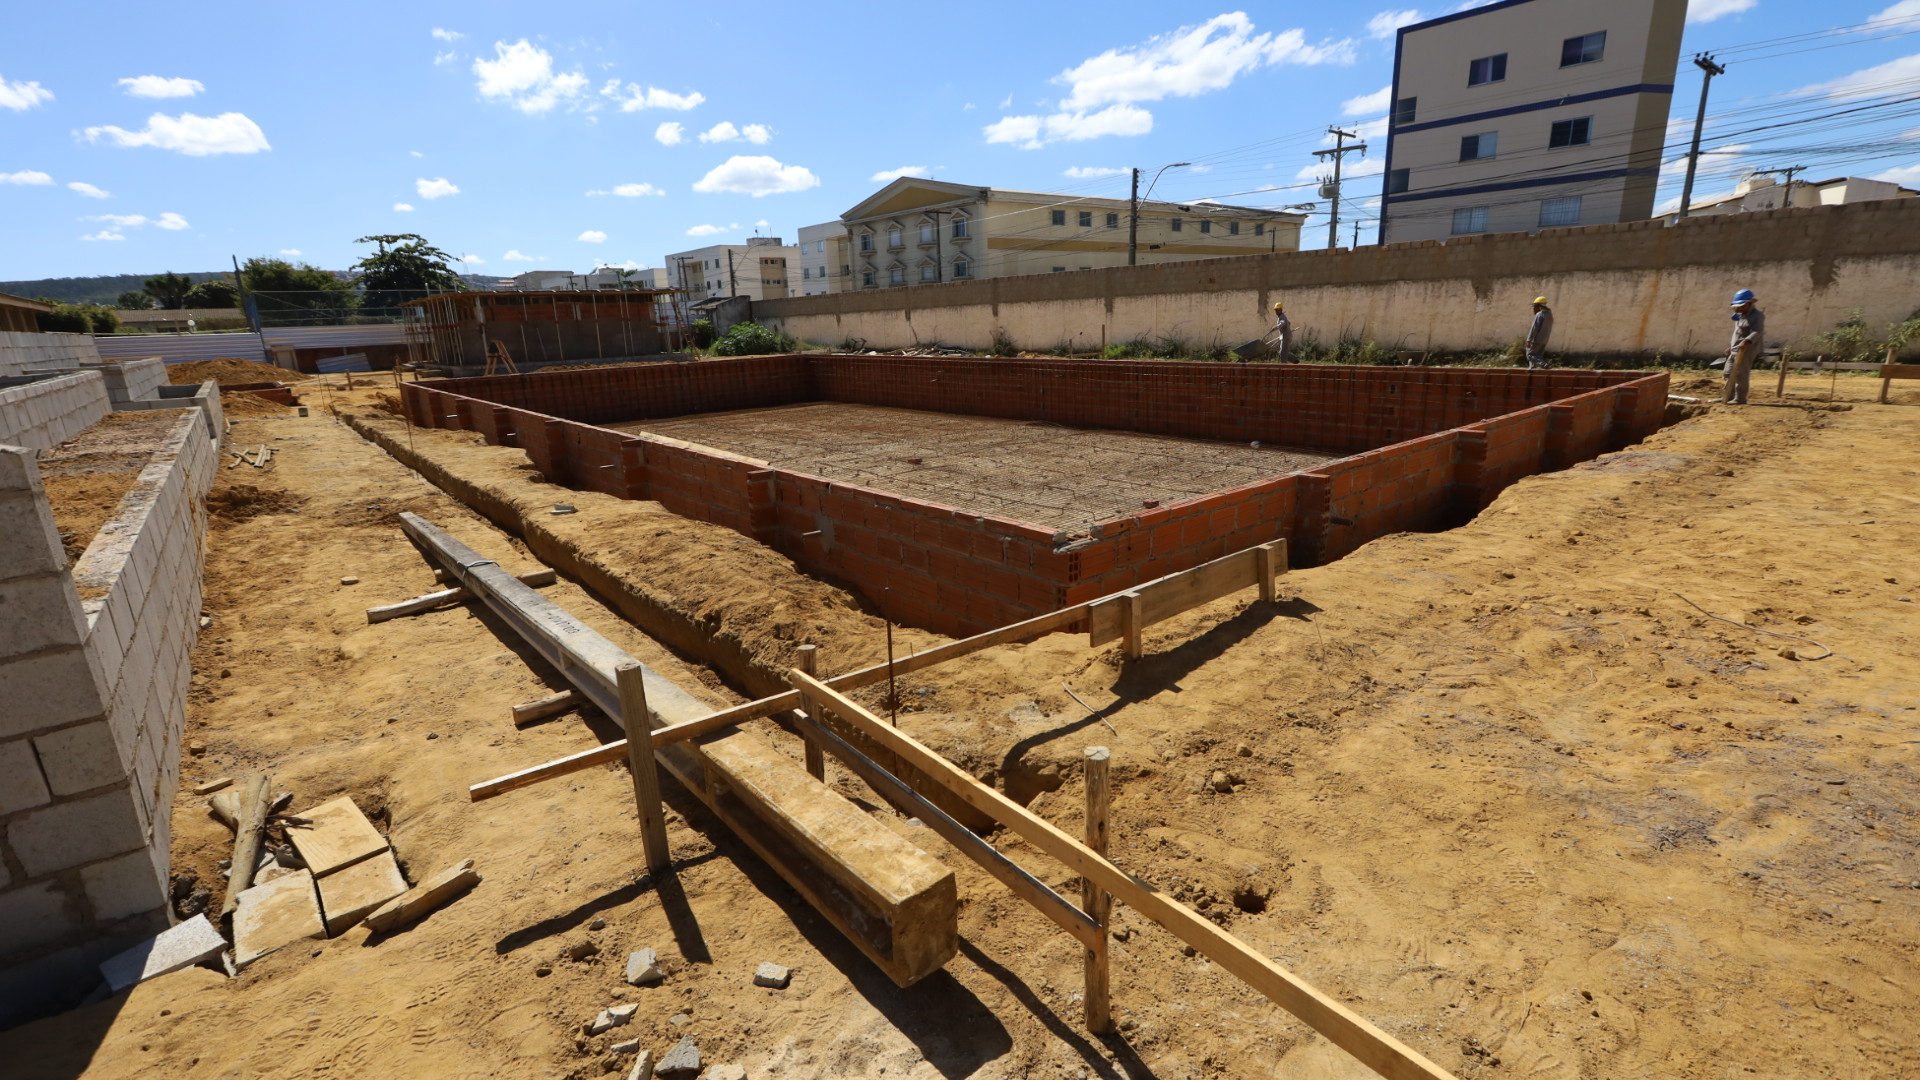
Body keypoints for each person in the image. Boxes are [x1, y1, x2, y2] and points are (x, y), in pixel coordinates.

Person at [1725, 288, 1764, 405]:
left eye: (1741, 306)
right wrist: (1731, 346)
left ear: (1749, 303)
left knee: (1741, 374)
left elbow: (1757, 331)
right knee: (1728, 372)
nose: (1738, 308)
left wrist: (1746, 341)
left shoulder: (1757, 316)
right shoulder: (1740, 315)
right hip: (1735, 348)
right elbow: (1738, 333)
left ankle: (1740, 399)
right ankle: (1727, 396)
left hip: (1747, 349)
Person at [1524, 296, 1553, 369]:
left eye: (1534, 307)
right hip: (1545, 339)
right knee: (1538, 355)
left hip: (1538, 339)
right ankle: (1532, 370)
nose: (1533, 309)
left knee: (1530, 355)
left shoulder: (1539, 314)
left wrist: (1529, 340)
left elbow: (1534, 328)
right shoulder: (1549, 315)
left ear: (1539, 306)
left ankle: (1544, 364)